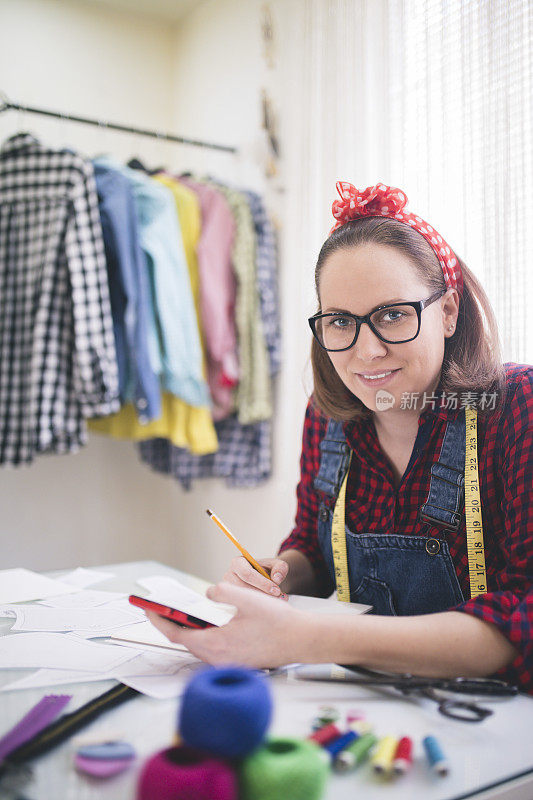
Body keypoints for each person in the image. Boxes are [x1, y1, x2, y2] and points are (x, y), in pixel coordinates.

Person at [147, 182, 533, 694]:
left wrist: (311, 636)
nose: (366, 351)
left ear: (448, 311)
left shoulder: (514, 408)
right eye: (340, 322)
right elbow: (314, 544)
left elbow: (525, 617)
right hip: (370, 706)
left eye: (393, 315)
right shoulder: (328, 420)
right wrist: (280, 571)